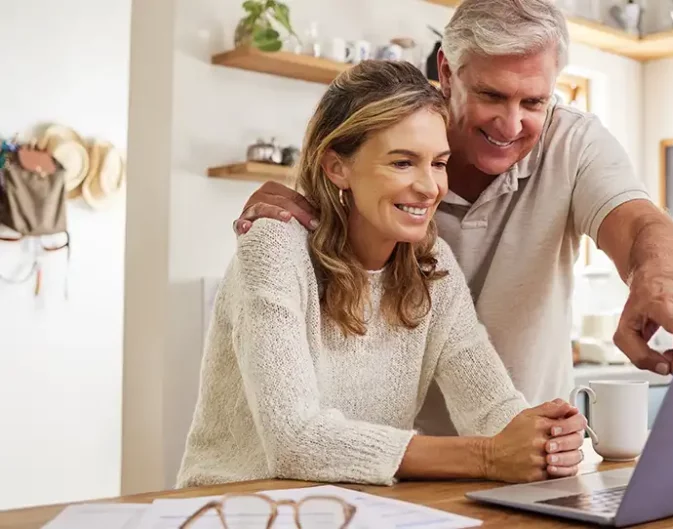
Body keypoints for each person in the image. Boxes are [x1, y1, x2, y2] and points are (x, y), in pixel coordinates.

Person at [232, 0, 673, 437]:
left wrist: (660, 282)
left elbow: (638, 223)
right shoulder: (395, 134)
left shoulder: (573, 143)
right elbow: (296, 429)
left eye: (534, 102)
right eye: (491, 95)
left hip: (514, 439)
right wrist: (304, 209)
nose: (511, 125)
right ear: (446, 70)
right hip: (380, 456)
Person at [176, 60, 587, 489]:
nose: (430, 188)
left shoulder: (433, 266)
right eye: (403, 163)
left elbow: (491, 409)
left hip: (357, 510)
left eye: (439, 163)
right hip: (236, 509)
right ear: (337, 167)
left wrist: (544, 437)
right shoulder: (275, 246)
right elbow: (295, 439)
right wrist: (488, 456)